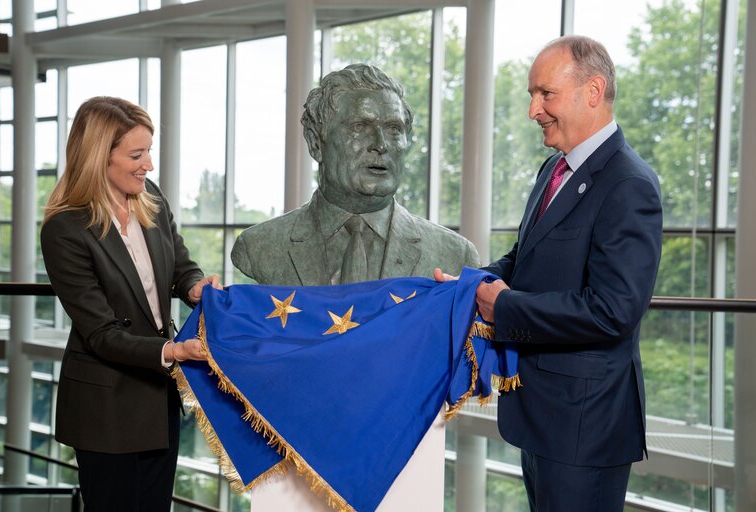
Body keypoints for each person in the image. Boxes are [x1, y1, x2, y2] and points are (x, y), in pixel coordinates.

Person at [436, 35, 663, 511]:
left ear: (593, 92)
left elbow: (614, 311)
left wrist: (505, 307)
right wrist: (466, 286)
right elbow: (523, 260)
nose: (533, 109)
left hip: (586, 426)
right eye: (531, 95)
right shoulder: (553, 169)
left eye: (546, 94)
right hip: (544, 415)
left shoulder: (629, 184)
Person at [40, 96, 222, 511]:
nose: (148, 166)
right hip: (107, 408)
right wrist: (174, 351)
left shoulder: (149, 196)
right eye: (136, 154)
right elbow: (101, 334)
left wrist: (195, 288)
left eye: (149, 152)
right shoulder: (64, 230)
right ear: (98, 157)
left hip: (158, 399)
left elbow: (181, 267)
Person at [231, 63, 479, 285]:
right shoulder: (258, 246)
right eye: (360, 127)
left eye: (394, 129)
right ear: (316, 143)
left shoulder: (456, 255)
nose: (381, 144)